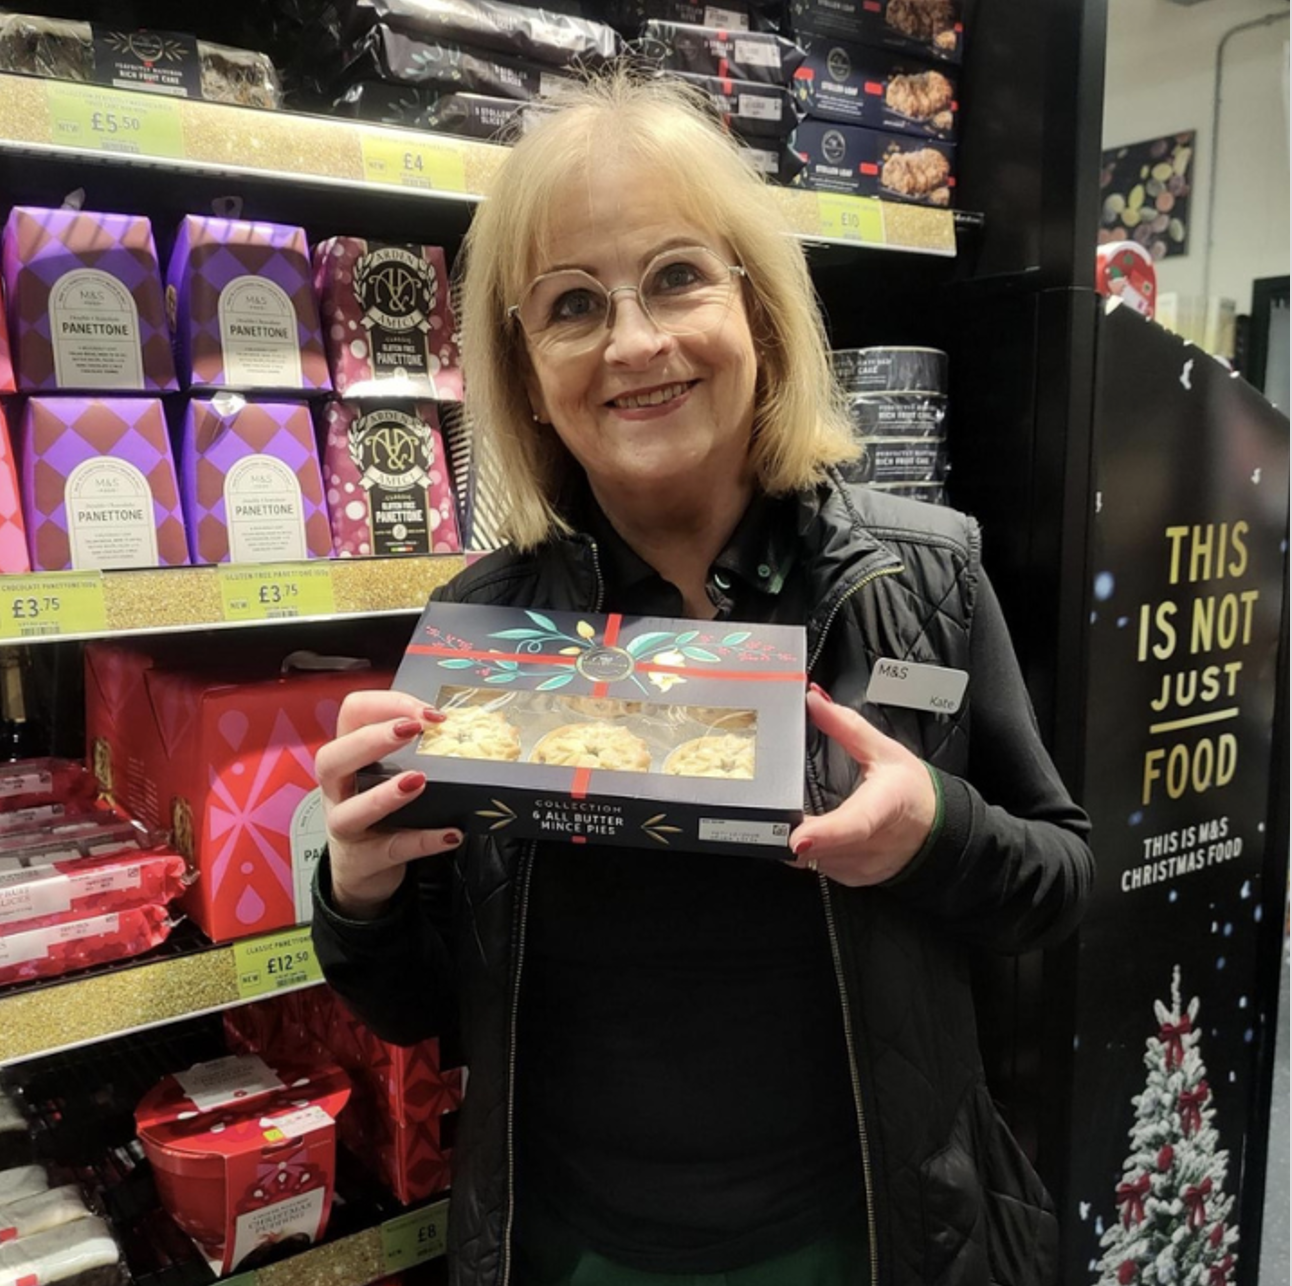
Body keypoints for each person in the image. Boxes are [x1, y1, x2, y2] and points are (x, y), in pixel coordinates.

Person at [311, 70, 1094, 1286]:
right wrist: (357, 889)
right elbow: (420, 1003)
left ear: (759, 308)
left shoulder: (923, 577)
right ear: (524, 373)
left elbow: (1055, 878)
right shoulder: (480, 632)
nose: (635, 341)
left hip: (878, 1240)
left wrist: (933, 833)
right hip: (576, 1253)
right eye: (572, 304)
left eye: (676, 275)